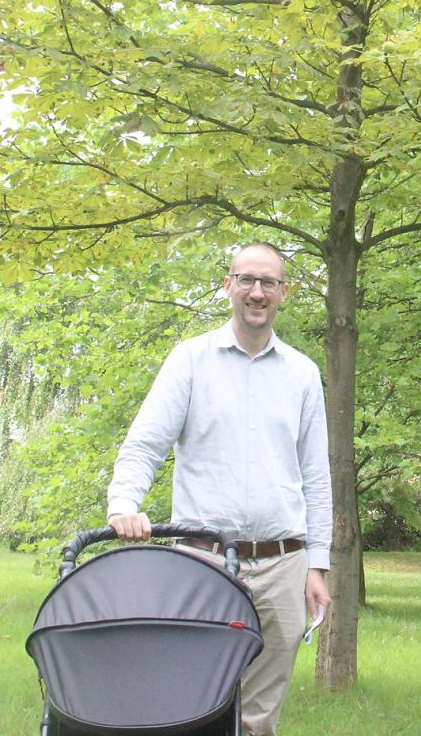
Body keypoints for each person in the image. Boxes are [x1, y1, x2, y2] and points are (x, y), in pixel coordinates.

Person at [106, 242, 332, 736]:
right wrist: (124, 503)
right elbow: (145, 445)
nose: (257, 292)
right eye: (246, 280)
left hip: (284, 565)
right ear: (228, 285)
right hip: (204, 563)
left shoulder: (303, 374)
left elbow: (316, 476)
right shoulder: (190, 361)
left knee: (258, 717)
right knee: (197, 701)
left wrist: (318, 564)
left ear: (283, 293)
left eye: (268, 283)